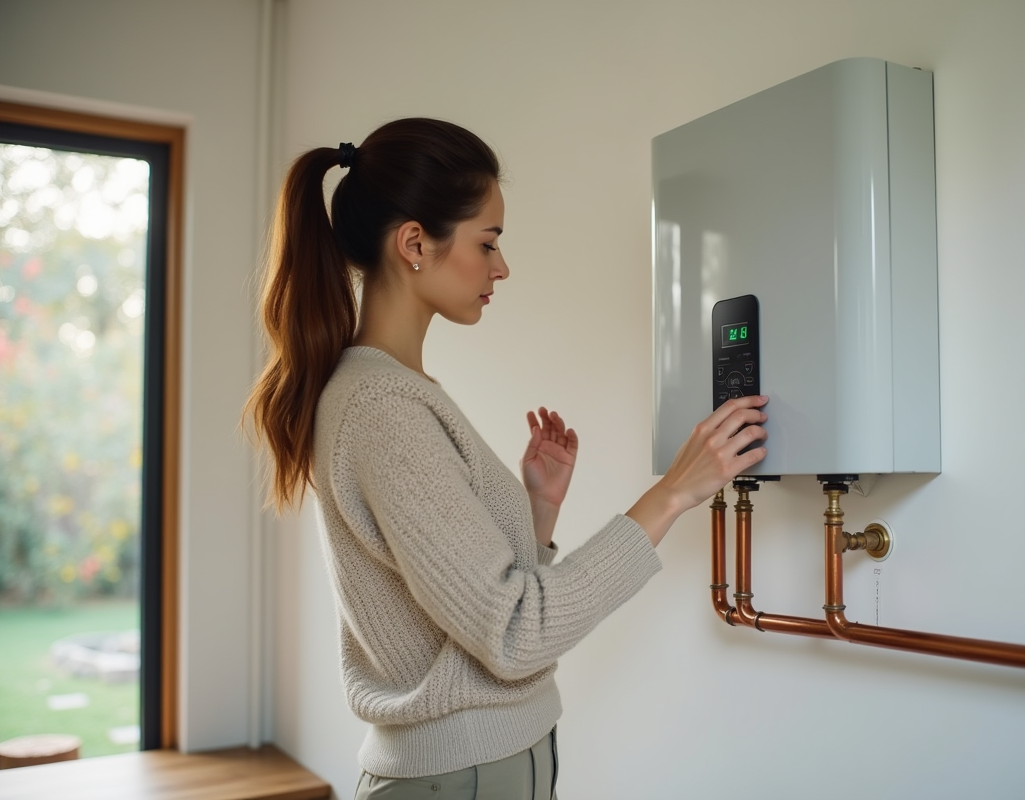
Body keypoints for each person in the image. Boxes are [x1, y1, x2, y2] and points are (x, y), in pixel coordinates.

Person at [245, 118, 768, 800]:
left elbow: (479, 607)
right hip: (452, 778)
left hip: (477, 770)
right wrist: (670, 495)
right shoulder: (380, 408)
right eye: (487, 242)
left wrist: (537, 512)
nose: (501, 267)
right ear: (414, 243)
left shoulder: (396, 391)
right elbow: (515, 635)